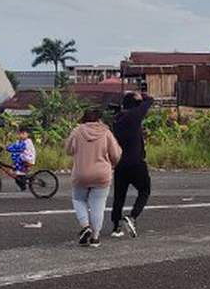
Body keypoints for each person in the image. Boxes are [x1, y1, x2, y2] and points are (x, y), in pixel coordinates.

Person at [66, 108, 122, 248]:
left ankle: (85, 226)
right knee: (98, 204)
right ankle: (95, 238)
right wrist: (112, 164)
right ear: (99, 119)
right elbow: (115, 154)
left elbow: (68, 150)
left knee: (78, 199)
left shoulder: (77, 131)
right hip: (102, 174)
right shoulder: (106, 132)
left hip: (81, 173)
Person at [110, 91, 154, 238]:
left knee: (119, 196)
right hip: (136, 162)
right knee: (145, 190)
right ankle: (132, 216)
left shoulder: (116, 120)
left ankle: (116, 226)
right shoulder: (134, 116)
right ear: (135, 104)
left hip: (120, 164)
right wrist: (141, 96)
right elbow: (149, 101)